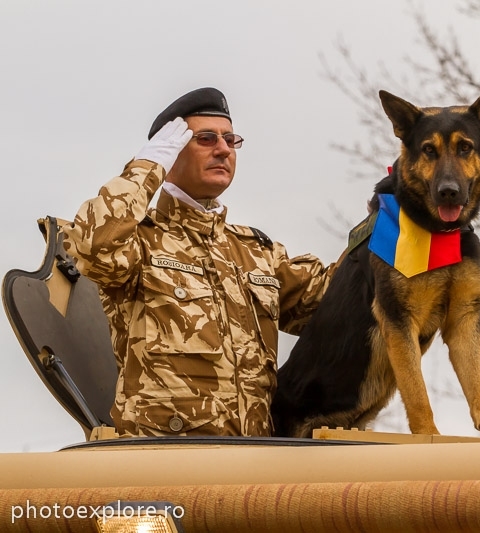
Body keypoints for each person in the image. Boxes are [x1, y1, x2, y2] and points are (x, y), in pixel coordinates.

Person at [61, 87, 337, 438]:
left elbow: (342, 297)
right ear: (171, 155)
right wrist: (147, 167)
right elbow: (92, 245)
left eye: (230, 139)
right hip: (163, 461)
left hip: (256, 464)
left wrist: (393, 217)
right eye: (205, 139)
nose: (223, 149)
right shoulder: (140, 242)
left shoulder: (256, 252)